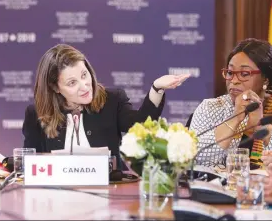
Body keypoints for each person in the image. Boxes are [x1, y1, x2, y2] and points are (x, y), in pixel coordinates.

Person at [22, 44, 190, 169]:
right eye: (72, 83)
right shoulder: (36, 114)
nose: (85, 86)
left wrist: (157, 88)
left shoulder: (112, 100)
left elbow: (140, 124)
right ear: (55, 87)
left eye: (84, 75)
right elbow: (30, 163)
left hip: (110, 192)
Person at [190, 38, 272, 167]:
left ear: (266, 79)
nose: (234, 80)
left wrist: (262, 128)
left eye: (244, 74)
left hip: (268, 186)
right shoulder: (210, 107)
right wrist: (235, 119)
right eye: (230, 72)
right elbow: (193, 157)